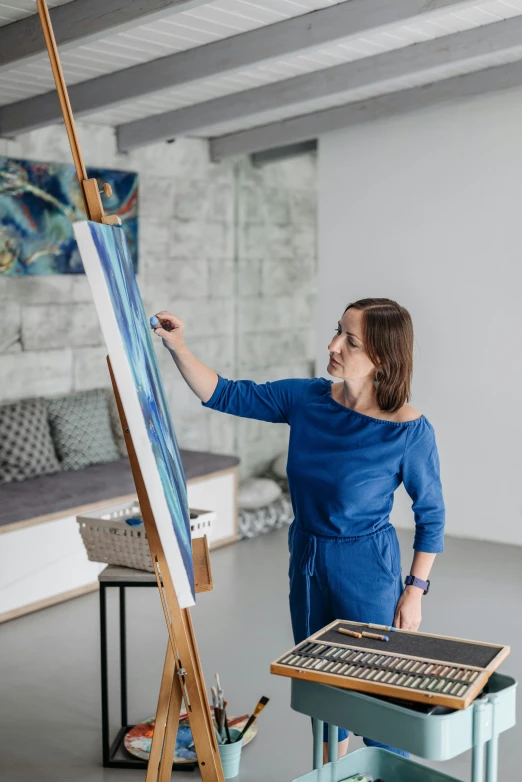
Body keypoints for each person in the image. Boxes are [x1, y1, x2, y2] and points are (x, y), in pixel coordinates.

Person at [151, 297, 445, 760]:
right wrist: (178, 347)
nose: (332, 346)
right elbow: (224, 393)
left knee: (374, 699)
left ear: (382, 359)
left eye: (349, 341)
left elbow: (432, 516)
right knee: (322, 696)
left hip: (366, 565)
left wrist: (414, 590)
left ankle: (389, 771)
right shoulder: (307, 398)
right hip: (306, 558)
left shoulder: (408, 430)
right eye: (336, 332)